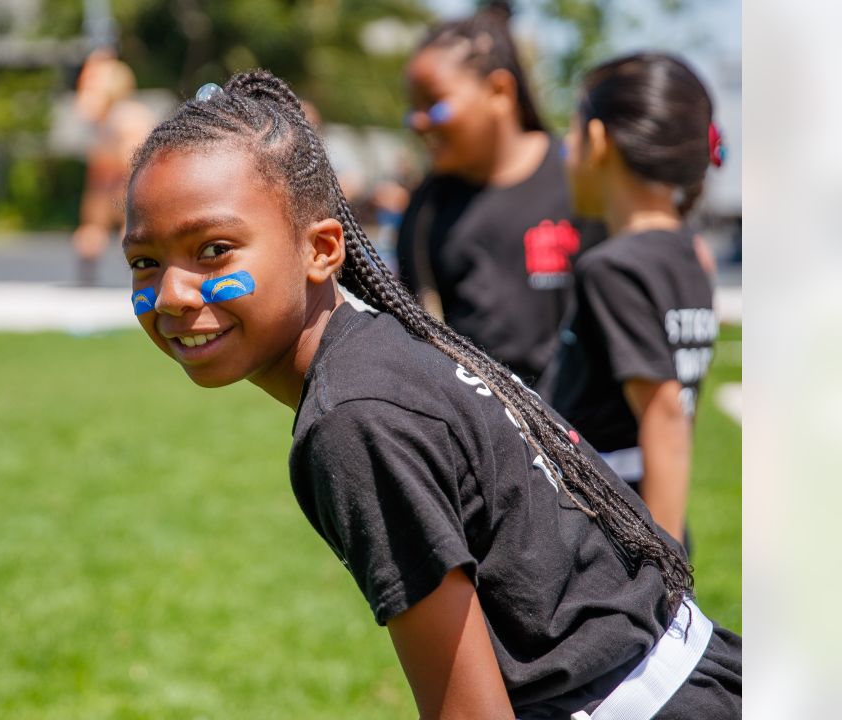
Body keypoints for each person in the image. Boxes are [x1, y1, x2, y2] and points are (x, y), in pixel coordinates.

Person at [122, 69, 739, 718]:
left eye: (214, 250)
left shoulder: (354, 421)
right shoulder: (380, 354)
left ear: (322, 249)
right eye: (145, 261)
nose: (171, 294)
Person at [539, 53, 723, 546]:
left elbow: (663, 418)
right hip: (656, 522)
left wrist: (662, 588)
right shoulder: (692, 256)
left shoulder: (613, 268)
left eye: (572, 132)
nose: (566, 148)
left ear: (598, 141)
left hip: (617, 544)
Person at [395, 0, 603, 384]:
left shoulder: (579, 181)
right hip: (480, 434)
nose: (419, 122)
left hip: (581, 432)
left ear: (499, 91)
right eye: (413, 108)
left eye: (434, 104)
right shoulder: (427, 208)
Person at [71, 49, 157, 286]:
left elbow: (134, 160)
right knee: (93, 231)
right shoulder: (106, 121)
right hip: (110, 182)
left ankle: (139, 273)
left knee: (128, 227)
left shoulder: (126, 118)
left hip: (124, 181)